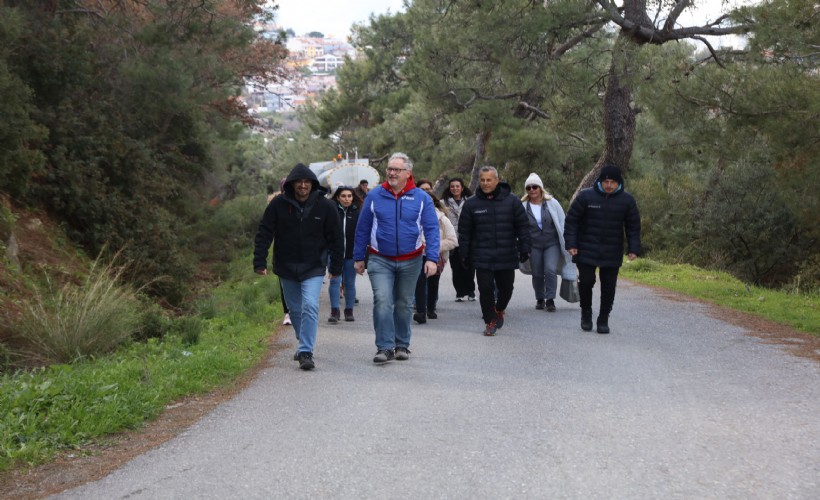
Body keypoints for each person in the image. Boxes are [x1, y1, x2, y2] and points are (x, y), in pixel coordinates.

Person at [254, 164, 344, 370]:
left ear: (312, 184)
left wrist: (336, 266)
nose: (303, 185)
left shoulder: (325, 206)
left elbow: (337, 239)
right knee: (294, 310)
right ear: (292, 184)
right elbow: (265, 232)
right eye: (299, 182)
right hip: (285, 266)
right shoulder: (278, 205)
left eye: (307, 182)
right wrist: (259, 261)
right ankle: (303, 340)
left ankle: (305, 351)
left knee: (310, 305)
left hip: (313, 266)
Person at [353, 152, 440, 363]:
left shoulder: (421, 198)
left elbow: (431, 228)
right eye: (389, 169)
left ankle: (402, 345)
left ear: (408, 173)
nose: (391, 173)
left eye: (396, 170)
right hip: (380, 258)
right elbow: (362, 227)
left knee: (403, 303)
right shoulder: (374, 196)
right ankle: (384, 347)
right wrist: (358, 256)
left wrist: (432, 258)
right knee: (382, 300)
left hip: (411, 260)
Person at [563, 164, 641, 334]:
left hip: (612, 250)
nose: (609, 185)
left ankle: (604, 318)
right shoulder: (586, 197)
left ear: (618, 182)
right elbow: (572, 221)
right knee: (586, 282)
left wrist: (634, 248)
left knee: (609, 286)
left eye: (613, 182)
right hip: (585, 249)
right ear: (600, 181)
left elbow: (633, 227)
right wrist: (571, 244)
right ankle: (586, 313)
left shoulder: (627, 201)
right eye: (606, 181)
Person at [458, 166, 531, 336]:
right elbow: (464, 232)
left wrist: (525, 247)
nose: (485, 183)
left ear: (497, 180)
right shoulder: (471, 204)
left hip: (506, 254)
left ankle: (499, 309)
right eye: (482, 180)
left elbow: (523, 227)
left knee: (506, 289)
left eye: (489, 180)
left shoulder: (512, 201)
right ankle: (490, 321)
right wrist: (464, 253)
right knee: (485, 288)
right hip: (482, 255)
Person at [520, 172, 574, 312]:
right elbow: (519, 226)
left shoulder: (552, 203)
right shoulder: (523, 206)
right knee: (537, 272)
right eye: (529, 188)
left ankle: (550, 299)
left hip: (552, 243)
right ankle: (540, 298)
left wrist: (568, 242)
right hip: (534, 245)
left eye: (535, 187)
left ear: (540, 188)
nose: (532, 190)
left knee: (550, 269)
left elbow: (562, 222)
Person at [413, 179, 458, 324]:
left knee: (433, 282)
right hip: (416, 255)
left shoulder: (442, 219)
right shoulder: (412, 216)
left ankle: (430, 308)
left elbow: (452, 240)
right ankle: (421, 310)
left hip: (435, 255)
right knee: (419, 281)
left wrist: (433, 246)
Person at [327, 186, 361, 323]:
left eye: (349, 196)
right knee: (334, 281)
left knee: (349, 283)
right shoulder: (332, 211)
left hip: (351, 254)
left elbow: (362, 235)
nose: (347, 199)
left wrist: (362, 256)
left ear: (353, 198)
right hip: (334, 253)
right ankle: (334, 311)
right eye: (343, 196)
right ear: (337, 197)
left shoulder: (357, 213)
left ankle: (349, 310)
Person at [442, 177, 476, 302]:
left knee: (470, 266)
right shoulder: (443, 203)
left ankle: (471, 291)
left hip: (468, 238)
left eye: (457, 186)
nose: (455, 188)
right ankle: (460, 292)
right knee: (456, 267)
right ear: (449, 188)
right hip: (452, 239)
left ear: (462, 188)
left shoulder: (471, 201)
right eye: (452, 186)